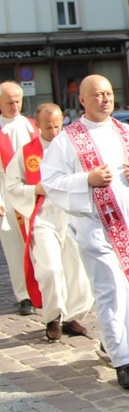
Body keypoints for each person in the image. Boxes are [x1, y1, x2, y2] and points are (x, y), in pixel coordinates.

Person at [40, 74, 129, 388]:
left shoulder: (126, 132)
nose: (104, 99)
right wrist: (85, 180)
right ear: (82, 100)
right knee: (111, 291)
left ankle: (112, 341)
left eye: (108, 93)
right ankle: (124, 362)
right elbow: (51, 182)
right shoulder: (68, 139)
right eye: (97, 94)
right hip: (95, 227)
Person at [5, 103, 94, 341]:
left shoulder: (71, 147)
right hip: (43, 218)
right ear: (37, 125)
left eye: (57, 126)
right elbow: (12, 186)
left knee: (77, 270)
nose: (54, 132)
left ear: (63, 121)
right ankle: (53, 316)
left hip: (71, 215)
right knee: (50, 269)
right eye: (48, 127)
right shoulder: (26, 153)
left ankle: (72, 316)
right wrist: (35, 189)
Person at [0, 81, 38, 316]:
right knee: (15, 248)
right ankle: (24, 296)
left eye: (18, 101)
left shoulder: (32, 126)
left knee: (39, 245)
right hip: (6, 194)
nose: (15, 106)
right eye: (9, 102)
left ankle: (44, 290)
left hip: (33, 193)